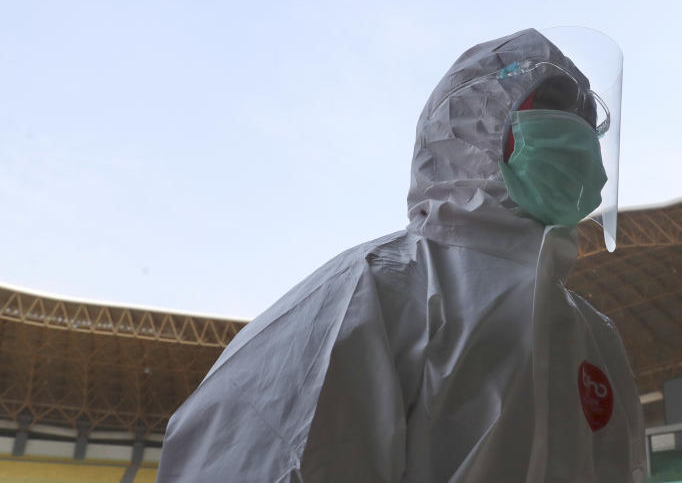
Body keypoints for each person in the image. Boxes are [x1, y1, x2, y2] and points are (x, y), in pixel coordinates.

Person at [156, 28, 644, 482]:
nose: (577, 135)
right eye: (555, 106)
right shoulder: (370, 292)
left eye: (586, 121)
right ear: (477, 122)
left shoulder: (594, 334)